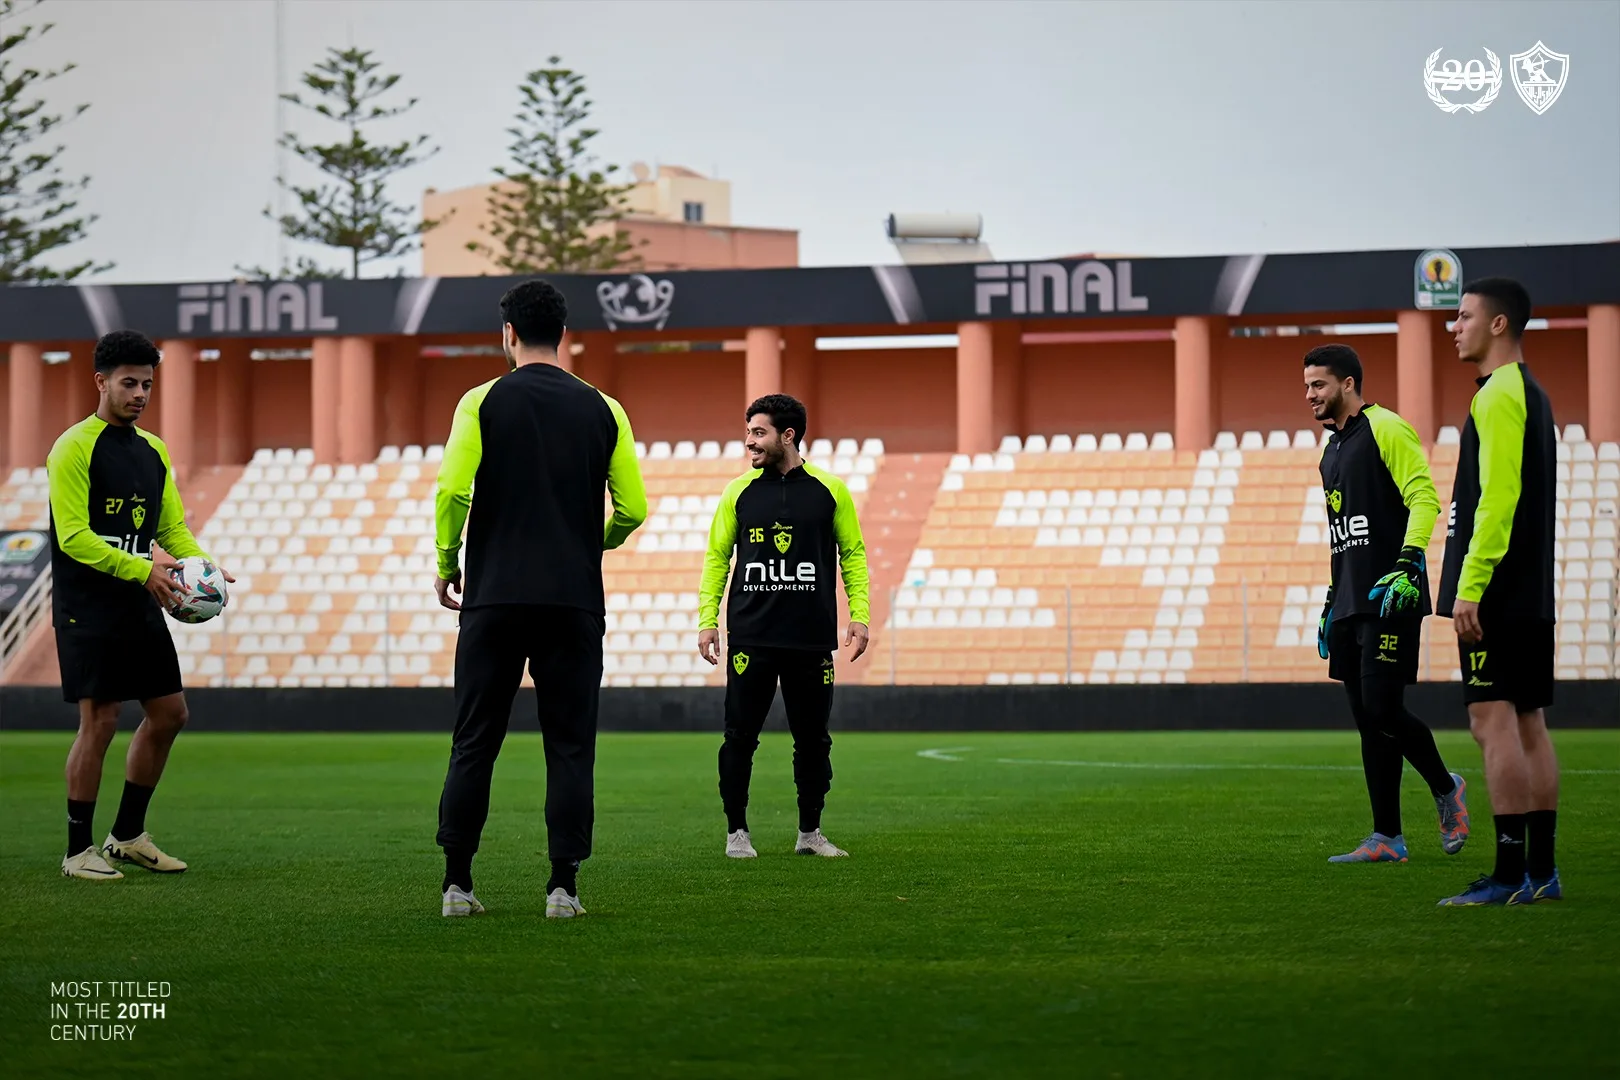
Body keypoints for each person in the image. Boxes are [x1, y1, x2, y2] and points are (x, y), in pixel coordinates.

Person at [433, 279, 647, 919]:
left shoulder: (480, 400)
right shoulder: (605, 408)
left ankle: (457, 886)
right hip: (572, 600)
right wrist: (593, 543)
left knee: (474, 741)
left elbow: (452, 493)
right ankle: (562, 889)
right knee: (570, 744)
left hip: (494, 598)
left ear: (508, 334)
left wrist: (449, 561)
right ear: (563, 335)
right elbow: (633, 508)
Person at [48, 330, 230, 881]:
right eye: (129, 383)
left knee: (170, 714)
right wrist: (142, 570)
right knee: (99, 721)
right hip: (89, 606)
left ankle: (127, 835)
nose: (140, 393)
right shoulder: (73, 447)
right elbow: (73, 536)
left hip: (140, 599)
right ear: (100, 381)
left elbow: (170, 526)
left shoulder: (153, 450)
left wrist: (205, 567)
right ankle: (78, 850)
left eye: (147, 383)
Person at [1304, 344, 1469, 864]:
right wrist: (1332, 601)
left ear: (1348, 384)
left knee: (1382, 707)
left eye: (1319, 385)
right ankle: (1387, 838)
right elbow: (1341, 535)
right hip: (1352, 600)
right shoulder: (1330, 451)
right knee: (1367, 720)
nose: (1309, 395)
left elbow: (1424, 498)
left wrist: (1408, 561)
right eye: (1307, 386)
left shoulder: (1385, 427)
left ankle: (1447, 788)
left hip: (1393, 592)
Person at [697, 394, 870, 859]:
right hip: (751, 636)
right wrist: (707, 620)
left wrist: (860, 615)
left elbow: (852, 554)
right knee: (739, 737)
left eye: (758, 432)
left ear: (787, 436)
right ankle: (737, 833)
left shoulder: (830, 490)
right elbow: (717, 558)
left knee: (813, 740)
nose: (749, 440)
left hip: (811, 639)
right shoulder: (739, 491)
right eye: (748, 431)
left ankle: (810, 834)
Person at [1435, 278, 1561, 907]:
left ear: (1499, 324)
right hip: (1533, 589)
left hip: (1499, 592)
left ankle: (1509, 876)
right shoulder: (1533, 395)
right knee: (1531, 722)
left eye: (1463, 317)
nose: (1453, 327)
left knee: (1493, 722)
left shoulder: (1499, 395)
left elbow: (1498, 498)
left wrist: (1470, 585)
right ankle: (1542, 872)